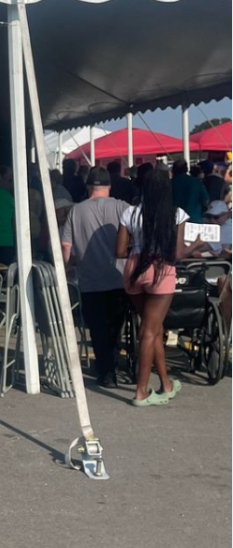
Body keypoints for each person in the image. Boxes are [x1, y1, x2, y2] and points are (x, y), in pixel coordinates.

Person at [116, 168, 204, 407]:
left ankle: (165, 383)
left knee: (152, 327)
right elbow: (176, 253)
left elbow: (120, 251)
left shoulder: (130, 213)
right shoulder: (176, 214)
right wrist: (196, 243)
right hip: (161, 270)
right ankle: (141, 391)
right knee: (149, 331)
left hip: (135, 269)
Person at [61, 168, 129, 387]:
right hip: (119, 277)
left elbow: (66, 245)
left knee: (97, 328)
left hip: (89, 279)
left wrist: (68, 266)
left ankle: (105, 370)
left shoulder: (76, 211)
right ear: (109, 186)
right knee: (115, 325)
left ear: (88, 187)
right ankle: (112, 364)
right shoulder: (122, 207)